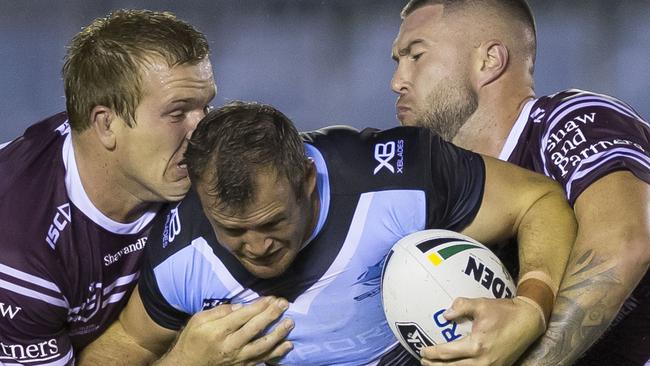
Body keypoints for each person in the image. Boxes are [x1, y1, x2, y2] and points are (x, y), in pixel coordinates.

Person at [79, 101, 576, 365]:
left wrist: (531, 307)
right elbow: (125, 346)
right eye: (232, 230)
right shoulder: (180, 248)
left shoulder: (400, 175)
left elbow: (539, 200)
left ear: (308, 182)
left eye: (272, 222)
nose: (255, 246)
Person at [391, 0, 650, 365]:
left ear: (490, 60)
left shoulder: (571, 120)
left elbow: (623, 245)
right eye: (397, 62)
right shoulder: (438, 196)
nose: (397, 81)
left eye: (415, 56)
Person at [0, 9, 228, 365]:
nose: (204, 133)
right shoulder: (19, 249)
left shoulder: (175, 168)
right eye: (178, 112)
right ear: (106, 125)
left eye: (206, 107)